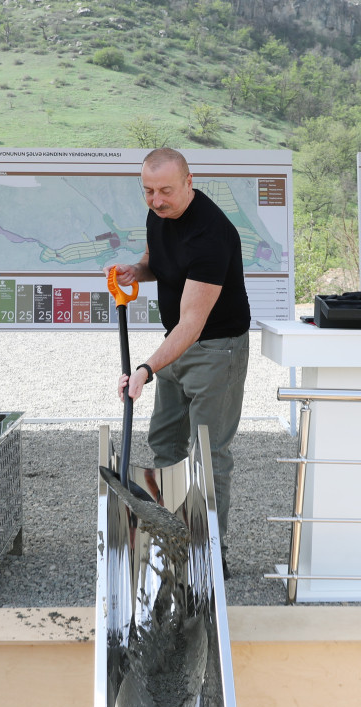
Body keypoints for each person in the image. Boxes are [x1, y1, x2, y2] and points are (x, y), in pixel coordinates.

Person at [111, 148, 251, 577]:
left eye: (165, 191)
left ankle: (210, 553)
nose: (156, 200)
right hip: (175, 344)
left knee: (208, 452)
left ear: (189, 182)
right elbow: (158, 261)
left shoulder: (212, 234)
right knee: (165, 440)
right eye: (148, 191)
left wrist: (146, 369)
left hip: (215, 349)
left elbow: (193, 322)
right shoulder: (160, 214)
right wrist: (136, 270)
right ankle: (172, 536)